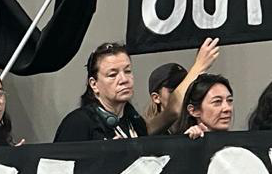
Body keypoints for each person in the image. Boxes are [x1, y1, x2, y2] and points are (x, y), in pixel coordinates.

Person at [55, 39, 219, 142]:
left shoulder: (133, 122)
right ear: (94, 84)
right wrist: (103, 157)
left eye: (127, 71)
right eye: (112, 75)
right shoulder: (78, 123)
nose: (124, 79)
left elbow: (172, 111)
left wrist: (199, 66)